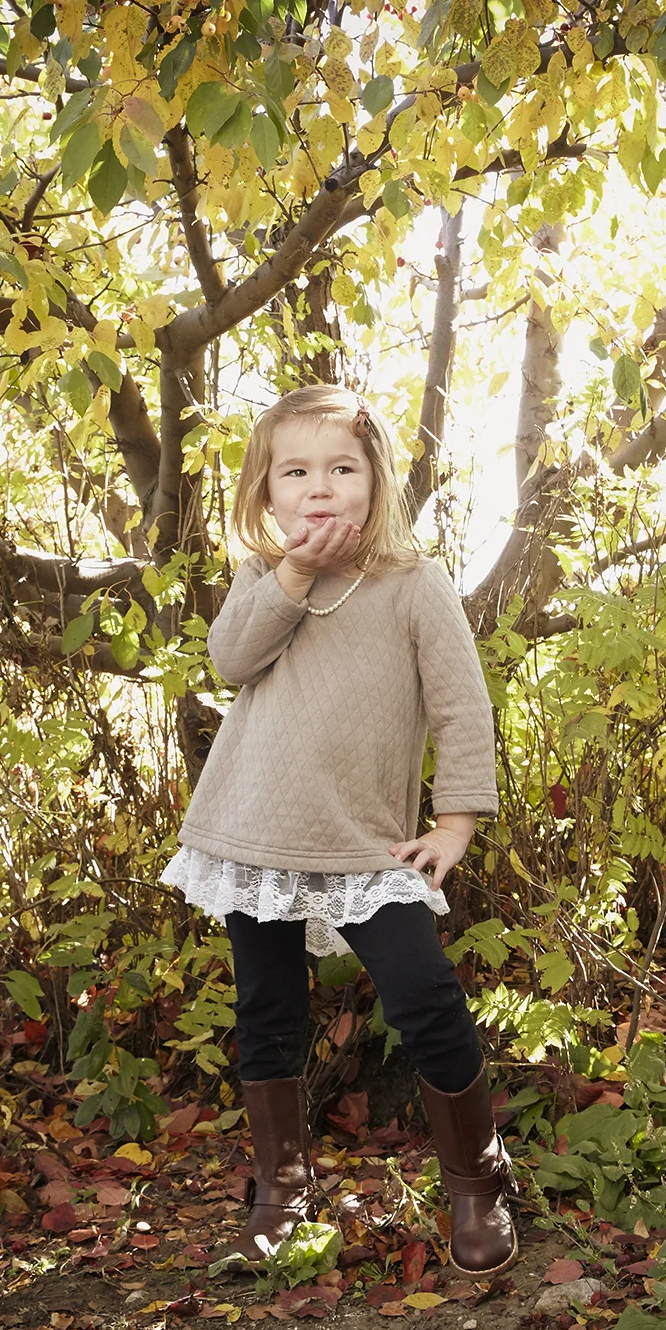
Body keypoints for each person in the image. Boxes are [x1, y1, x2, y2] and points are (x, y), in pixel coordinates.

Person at [159, 384, 516, 1279]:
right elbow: (230, 659)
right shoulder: (262, 577)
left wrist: (456, 825)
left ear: (376, 481)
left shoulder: (413, 584)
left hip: (365, 843)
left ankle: (477, 1179)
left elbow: (462, 709)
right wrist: (289, 575)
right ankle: (282, 1189)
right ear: (267, 493)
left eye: (342, 469)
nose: (319, 488)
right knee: (267, 1009)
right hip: (258, 833)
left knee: (423, 993)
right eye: (296, 473)